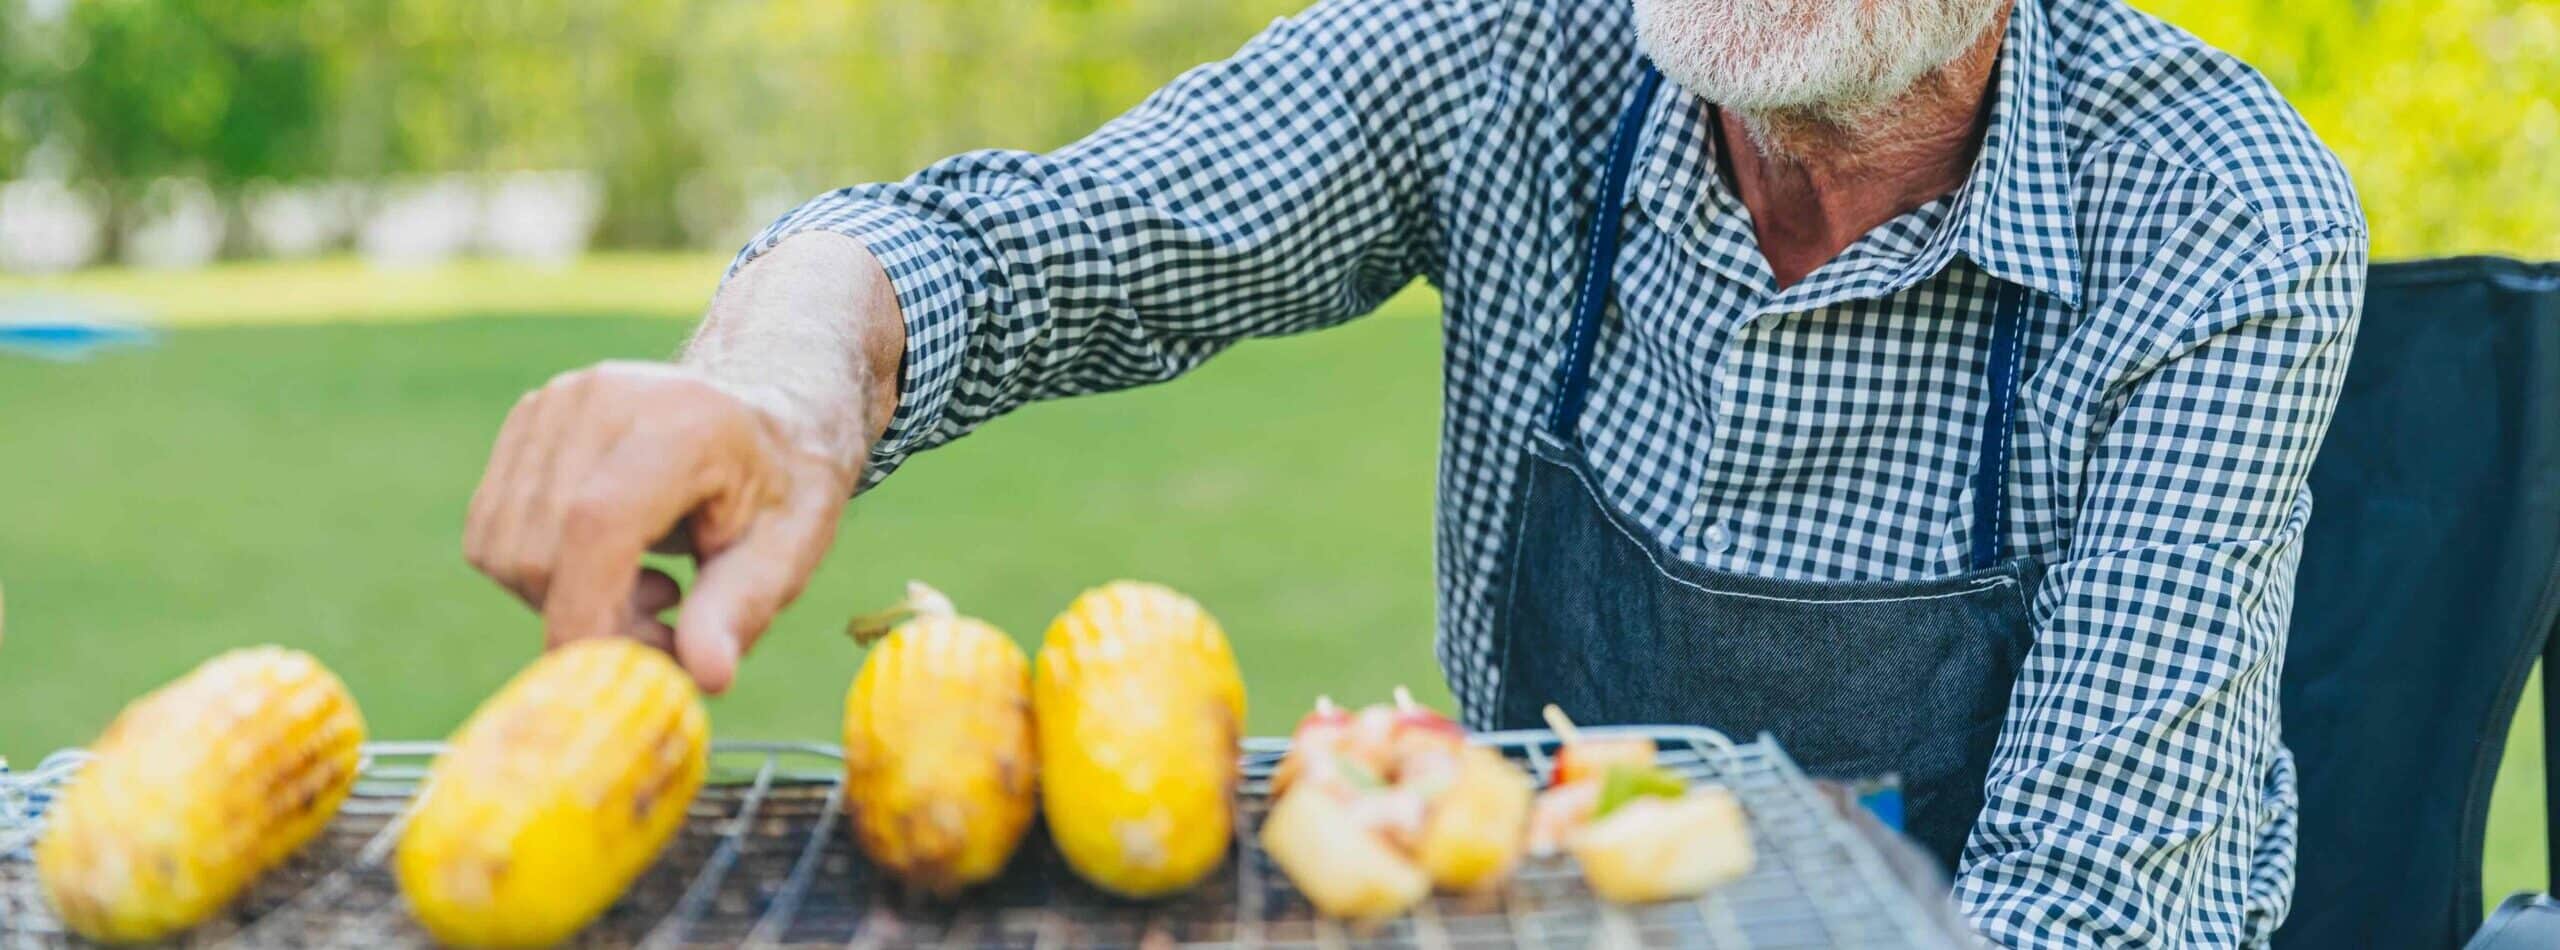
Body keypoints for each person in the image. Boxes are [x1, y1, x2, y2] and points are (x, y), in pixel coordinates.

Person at [462, 0, 2364, 943]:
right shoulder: (1507, 54)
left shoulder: (2213, 208)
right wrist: (782, 384)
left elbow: (2099, 917)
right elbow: (1033, 245)